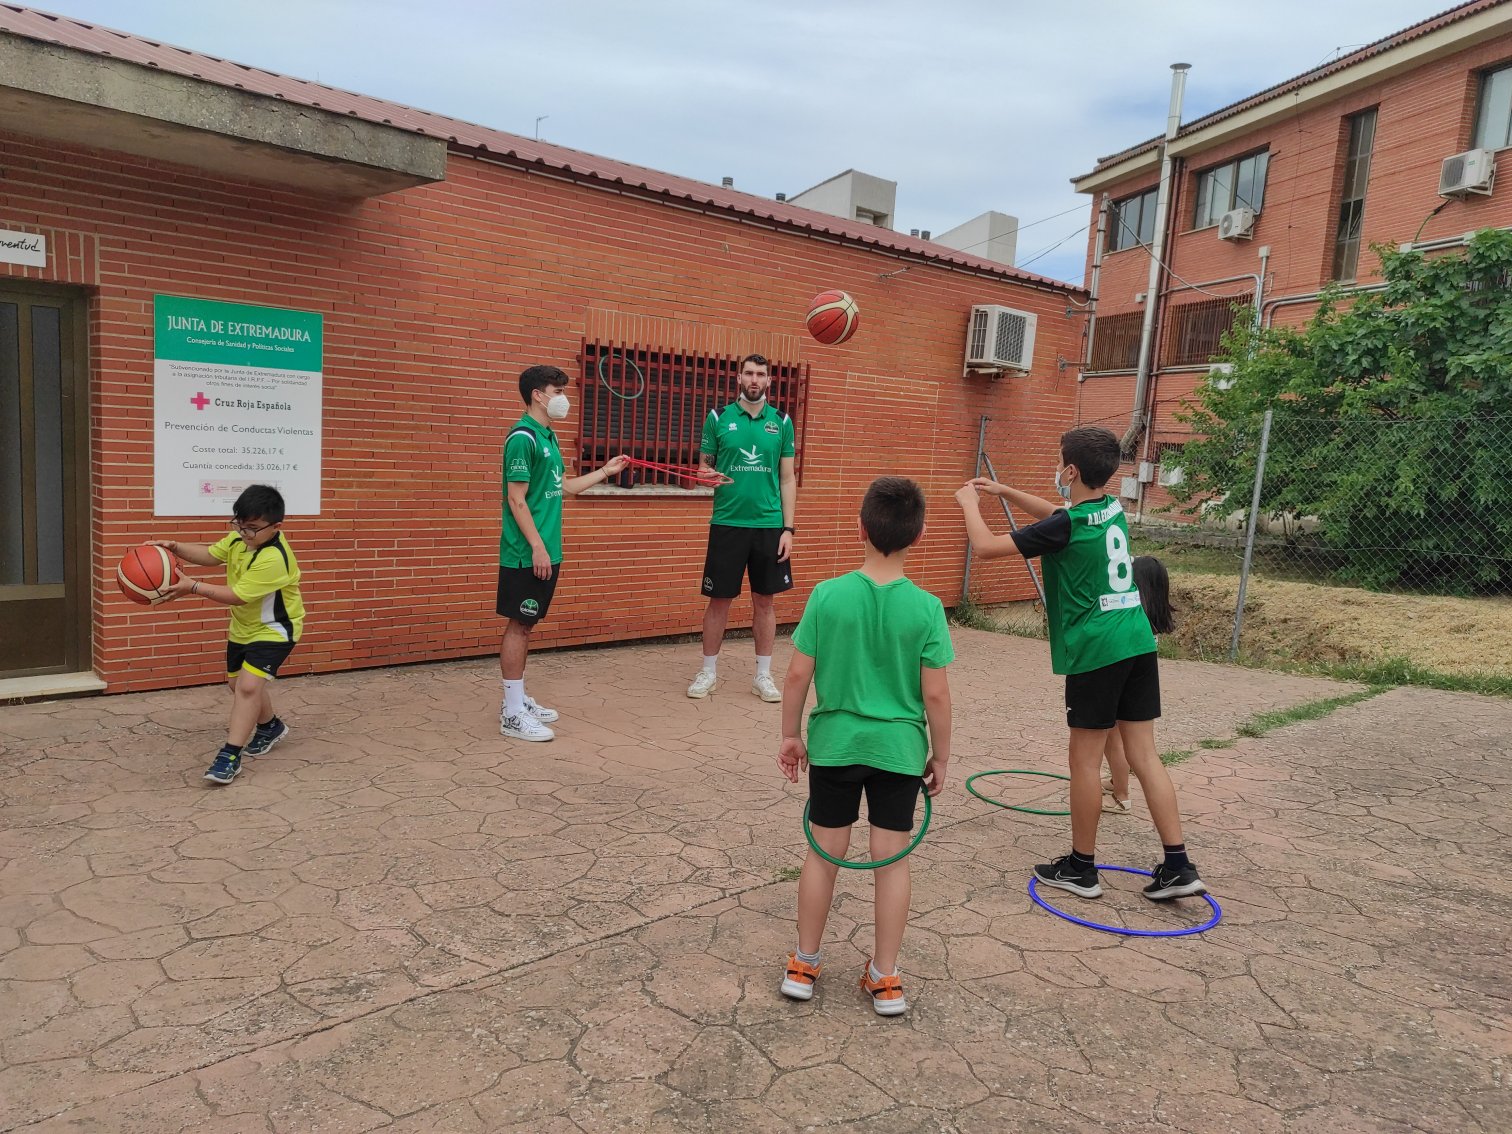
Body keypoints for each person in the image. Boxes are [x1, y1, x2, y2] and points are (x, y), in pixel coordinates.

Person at [954, 426, 1207, 902]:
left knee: (1084, 760)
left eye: (1059, 460)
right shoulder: (1109, 509)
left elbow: (987, 548)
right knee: (1145, 755)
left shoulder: (1068, 525)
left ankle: (1081, 868)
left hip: (1098, 650)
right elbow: (1058, 516)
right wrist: (1004, 490)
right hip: (1136, 640)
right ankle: (1179, 865)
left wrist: (969, 503)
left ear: (1070, 470)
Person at [776, 477, 952, 1016]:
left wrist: (790, 735)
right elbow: (937, 694)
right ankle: (886, 978)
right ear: (917, 536)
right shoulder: (927, 608)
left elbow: (796, 676)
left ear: (860, 529)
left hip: (835, 746)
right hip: (898, 752)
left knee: (824, 853)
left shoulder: (828, 595)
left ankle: (804, 964)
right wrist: (940, 756)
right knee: (890, 862)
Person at [497, 364, 628, 742]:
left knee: (527, 625)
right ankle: (511, 713)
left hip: (548, 550)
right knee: (519, 625)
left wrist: (605, 471)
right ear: (537, 395)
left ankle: (518, 699)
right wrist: (537, 547)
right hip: (526, 553)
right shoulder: (523, 438)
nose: (562, 399)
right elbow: (515, 499)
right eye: (556, 391)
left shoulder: (548, 437)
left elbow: (565, 487)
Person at [153, 484, 304, 785]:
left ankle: (229, 756)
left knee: (248, 687)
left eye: (252, 528)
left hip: (275, 629)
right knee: (237, 685)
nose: (244, 533)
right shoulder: (239, 539)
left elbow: (237, 595)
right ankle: (270, 726)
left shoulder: (274, 559)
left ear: (275, 527)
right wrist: (174, 547)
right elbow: (210, 555)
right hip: (243, 628)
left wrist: (192, 586)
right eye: (239, 524)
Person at [687, 354, 797, 703]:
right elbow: (703, 468)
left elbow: (787, 477)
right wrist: (706, 477)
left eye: (761, 374)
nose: (754, 379)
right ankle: (708, 671)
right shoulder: (718, 418)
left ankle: (763, 676)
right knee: (718, 601)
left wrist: (788, 529)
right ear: (738, 378)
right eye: (749, 373)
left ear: (769, 381)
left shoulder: (781, 422)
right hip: (727, 524)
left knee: (764, 603)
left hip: (768, 526)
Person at [1101, 555, 1174, 814]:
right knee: (1120, 739)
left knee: (1115, 738)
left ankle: (1121, 796)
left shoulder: (1132, 619)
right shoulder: (1150, 620)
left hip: (1121, 676)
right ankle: (1115, 782)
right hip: (1137, 679)